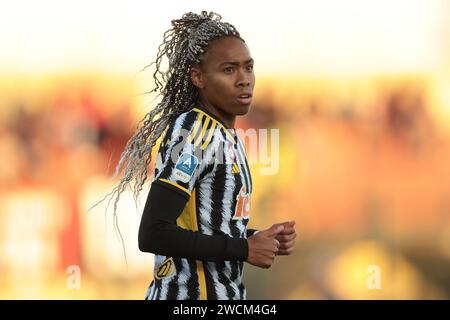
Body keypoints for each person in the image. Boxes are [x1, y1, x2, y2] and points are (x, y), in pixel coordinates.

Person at [107, 11, 296, 300]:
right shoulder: (196, 134)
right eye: (229, 70)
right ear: (198, 77)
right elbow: (153, 232)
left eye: (248, 67)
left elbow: (205, 227)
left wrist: (257, 238)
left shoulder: (224, 133)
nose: (244, 80)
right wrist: (245, 249)